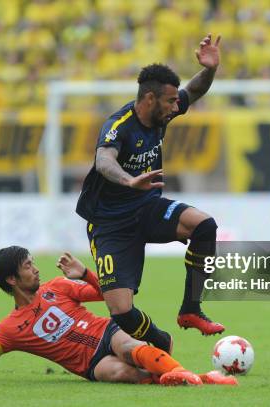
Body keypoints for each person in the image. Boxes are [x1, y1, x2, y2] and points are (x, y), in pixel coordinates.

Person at [75, 34, 225, 353]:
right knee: (122, 312)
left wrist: (210, 69)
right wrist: (129, 181)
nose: (176, 106)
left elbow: (194, 90)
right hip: (109, 223)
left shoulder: (163, 111)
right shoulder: (119, 126)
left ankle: (190, 310)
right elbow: (104, 160)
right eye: (170, 101)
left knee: (205, 226)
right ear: (149, 100)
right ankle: (161, 343)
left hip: (146, 207)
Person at [0, 246, 235, 386]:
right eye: (28, 266)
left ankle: (195, 377)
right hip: (90, 365)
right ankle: (190, 375)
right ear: (11, 280)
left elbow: (106, 293)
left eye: (32, 262)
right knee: (122, 374)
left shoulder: (57, 287)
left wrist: (84, 273)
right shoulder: (8, 330)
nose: (36, 268)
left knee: (127, 347)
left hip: (106, 332)